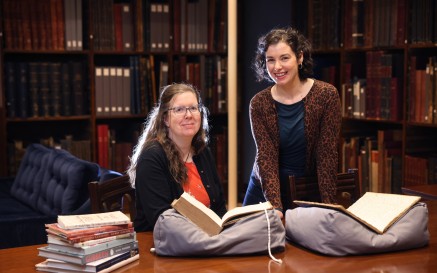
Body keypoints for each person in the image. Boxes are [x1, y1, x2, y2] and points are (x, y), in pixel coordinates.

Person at [243, 27, 341, 218]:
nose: (277, 67)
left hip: (306, 187)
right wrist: (276, 207)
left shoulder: (326, 95)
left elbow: (327, 154)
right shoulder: (259, 103)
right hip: (265, 187)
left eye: (284, 58)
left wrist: (330, 205)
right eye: (270, 60)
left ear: (300, 57)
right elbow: (266, 156)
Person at [127, 83, 227, 231]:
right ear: (165, 119)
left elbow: (219, 207)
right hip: (162, 244)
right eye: (179, 110)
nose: (189, 115)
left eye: (193, 108)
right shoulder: (152, 157)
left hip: (204, 239)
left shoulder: (202, 151)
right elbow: (162, 220)